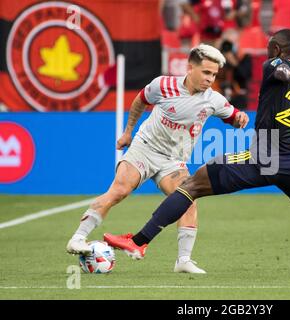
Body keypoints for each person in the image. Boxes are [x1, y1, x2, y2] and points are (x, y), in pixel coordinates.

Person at [104, 29, 290, 278]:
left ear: (276, 48)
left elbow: (280, 70)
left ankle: (139, 242)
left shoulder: (274, 65)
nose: (267, 49)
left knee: (190, 186)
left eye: (271, 45)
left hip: (265, 158)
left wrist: (286, 72)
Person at [66, 44, 250, 274]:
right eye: (206, 72)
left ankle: (183, 260)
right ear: (190, 67)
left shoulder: (214, 100)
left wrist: (240, 118)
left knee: (188, 199)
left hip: (173, 160)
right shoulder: (163, 85)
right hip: (145, 148)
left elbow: (233, 116)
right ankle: (78, 238)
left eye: (214, 74)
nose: (210, 79)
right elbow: (140, 101)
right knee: (120, 190)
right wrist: (127, 132)